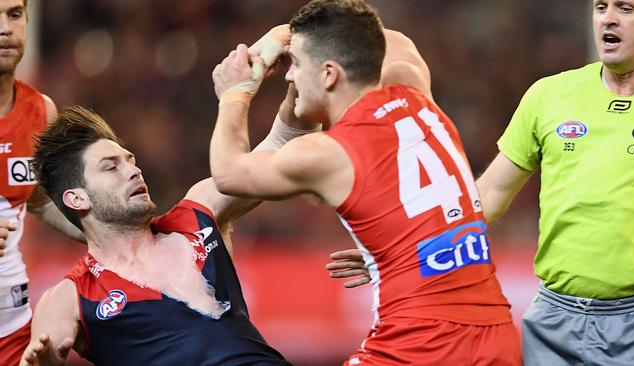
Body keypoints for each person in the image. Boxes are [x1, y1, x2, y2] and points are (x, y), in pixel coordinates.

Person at [211, 1, 521, 364]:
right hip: (496, 336)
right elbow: (385, 39)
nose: (288, 77)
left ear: (329, 74)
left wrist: (235, 93)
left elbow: (229, 173)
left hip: (422, 345)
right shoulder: (412, 87)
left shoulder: (330, 153)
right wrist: (287, 36)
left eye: (295, 65)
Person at [19, 102, 368, 366]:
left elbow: (285, 140)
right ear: (76, 198)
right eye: (112, 167)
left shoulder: (198, 213)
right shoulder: (69, 296)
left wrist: (297, 83)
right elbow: (42, 355)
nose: (134, 171)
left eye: (130, 160)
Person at [476, 0, 634, 364]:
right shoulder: (549, 95)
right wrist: (405, 249)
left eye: (626, 9)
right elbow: (490, 194)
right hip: (554, 321)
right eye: (601, 8)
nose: (608, 19)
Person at [0, 1, 84, 365]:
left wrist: (104, 227)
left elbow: (36, 200)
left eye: (14, 15)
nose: (4, 28)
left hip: (13, 327)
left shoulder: (41, 111)